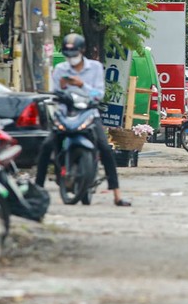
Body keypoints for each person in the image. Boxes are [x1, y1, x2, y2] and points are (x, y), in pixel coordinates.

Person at [35, 33, 131, 206]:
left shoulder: (95, 68)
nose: (71, 58)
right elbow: (54, 93)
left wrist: (81, 85)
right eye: (68, 54)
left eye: (74, 53)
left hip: (88, 114)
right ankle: (37, 190)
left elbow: (98, 94)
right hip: (65, 114)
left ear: (82, 51)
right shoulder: (60, 70)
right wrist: (61, 90)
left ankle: (117, 194)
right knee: (46, 145)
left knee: (106, 149)